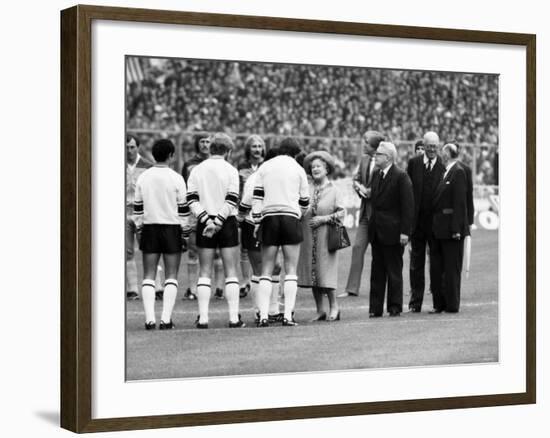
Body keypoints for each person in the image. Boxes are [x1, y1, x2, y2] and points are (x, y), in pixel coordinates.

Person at [186, 133, 245, 328]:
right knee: (231, 270)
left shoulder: (197, 170)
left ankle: (203, 318)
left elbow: (192, 200)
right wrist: (218, 221)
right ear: (228, 151)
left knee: (204, 270)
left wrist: (207, 220)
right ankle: (234, 318)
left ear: (211, 149)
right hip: (226, 222)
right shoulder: (231, 170)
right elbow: (232, 199)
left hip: (205, 222)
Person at [133, 138, 191, 330]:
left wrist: (140, 229)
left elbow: (138, 209)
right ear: (171, 155)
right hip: (171, 228)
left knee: (148, 275)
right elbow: (184, 210)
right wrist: (185, 233)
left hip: (150, 227)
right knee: (171, 275)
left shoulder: (144, 177)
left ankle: (149, 320)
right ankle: (166, 320)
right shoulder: (176, 178)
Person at [252, 137, 310, 327]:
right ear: (296, 152)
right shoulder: (298, 169)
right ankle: (287, 315)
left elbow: (257, 196)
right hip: (290, 217)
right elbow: (305, 201)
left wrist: (257, 220)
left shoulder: (265, 167)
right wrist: (299, 213)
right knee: (290, 268)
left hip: (269, 218)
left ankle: (263, 316)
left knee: (266, 269)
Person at [297, 151, 345, 321]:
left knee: (326, 273)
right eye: (313, 167)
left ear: (326, 169)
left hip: (326, 237)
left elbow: (341, 213)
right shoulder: (306, 189)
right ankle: (320, 310)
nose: (315, 169)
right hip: (308, 237)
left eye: (319, 166)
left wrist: (323, 219)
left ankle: (334, 307)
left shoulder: (334, 190)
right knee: (313, 274)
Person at [368, 141, 414, 317]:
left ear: (387, 157)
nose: (375, 156)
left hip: (394, 232)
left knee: (394, 271)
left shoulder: (401, 177)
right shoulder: (376, 175)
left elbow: (408, 206)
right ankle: (375, 308)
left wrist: (405, 232)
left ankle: (394, 306)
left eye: (378, 154)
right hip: (377, 231)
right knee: (377, 271)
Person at [338, 130, 385, 298]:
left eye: (366, 142)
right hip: (366, 212)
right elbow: (356, 178)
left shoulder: (385, 161)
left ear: (375, 146)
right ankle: (352, 288)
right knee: (357, 247)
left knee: (380, 252)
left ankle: (382, 287)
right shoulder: (364, 160)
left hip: (380, 214)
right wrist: (358, 187)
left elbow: (386, 183)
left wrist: (371, 191)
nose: (363, 145)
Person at [407, 131, 446, 312]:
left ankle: (438, 304)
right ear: (424, 145)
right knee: (416, 265)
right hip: (417, 224)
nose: (432, 150)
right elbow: (407, 193)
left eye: (435, 147)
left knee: (436, 265)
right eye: (429, 146)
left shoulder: (443, 167)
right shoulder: (413, 164)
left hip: (436, 225)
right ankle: (415, 304)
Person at [429, 143, 469, 313]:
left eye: (442, 152)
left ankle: (451, 305)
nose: (440, 155)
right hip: (439, 229)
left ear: (447, 155)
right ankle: (439, 304)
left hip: (451, 230)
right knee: (437, 269)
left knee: (451, 270)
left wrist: (456, 229)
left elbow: (460, 203)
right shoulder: (446, 172)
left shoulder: (458, 172)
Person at [126, 135, 164, 300]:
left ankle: (157, 286)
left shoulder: (148, 166)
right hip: (124, 212)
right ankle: (133, 289)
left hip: (143, 213)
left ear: (138, 147)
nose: (129, 150)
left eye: (132, 147)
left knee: (150, 250)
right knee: (127, 252)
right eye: (126, 147)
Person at [180, 133, 211, 301]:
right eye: (202, 142)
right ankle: (192, 289)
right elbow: (186, 190)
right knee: (193, 250)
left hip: (213, 210)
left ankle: (219, 289)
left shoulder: (216, 163)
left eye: (208, 141)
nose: (205, 145)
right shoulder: (189, 164)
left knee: (218, 252)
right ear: (197, 144)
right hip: (194, 211)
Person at [237, 135, 266, 298]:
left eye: (260, 146)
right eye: (254, 146)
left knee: (265, 248)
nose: (257, 149)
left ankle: (266, 279)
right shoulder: (241, 167)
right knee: (244, 248)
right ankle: (245, 281)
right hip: (244, 212)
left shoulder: (266, 166)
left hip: (261, 213)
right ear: (249, 149)